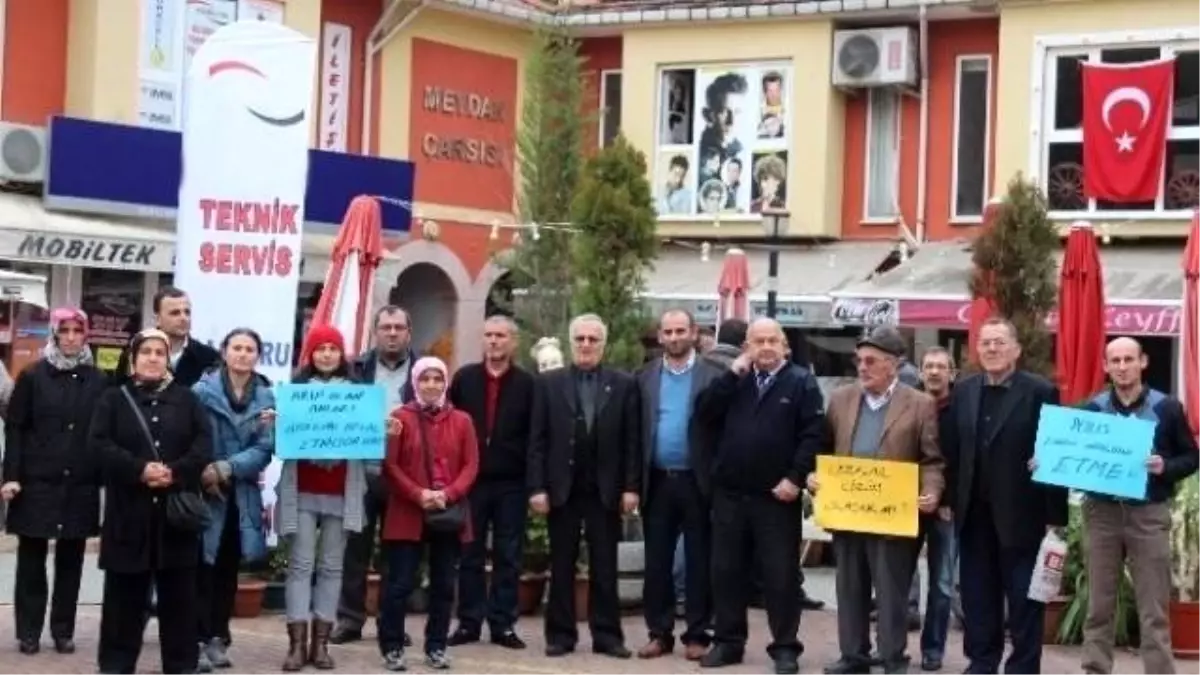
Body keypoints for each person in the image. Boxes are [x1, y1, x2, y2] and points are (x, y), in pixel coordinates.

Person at [696, 318, 825, 675]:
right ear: (747, 347)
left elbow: (813, 434)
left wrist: (795, 478)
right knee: (726, 572)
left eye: (772, 340)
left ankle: (785, 648)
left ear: (785, 346)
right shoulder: (734, 381)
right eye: (758, 341)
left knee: (780, 577)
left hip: (776, 498)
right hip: (731, 495)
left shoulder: (801, 382)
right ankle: (727, 642)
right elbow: (704, 414)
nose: (765, 347)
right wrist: (732, 375)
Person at [813, 326, 943, 675]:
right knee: (850, 588)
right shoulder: (841, 399)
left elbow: (932, 459)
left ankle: (892, 657)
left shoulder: (920, 404)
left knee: (891, 592)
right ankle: (853, 656)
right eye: (859, 360)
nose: (863, 367)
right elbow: (823, 450)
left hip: (892, 514)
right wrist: (815, 476)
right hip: (848, 512)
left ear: (894, 365)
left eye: (871, 361)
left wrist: (932, 491)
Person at [942, 317, 1068, 675]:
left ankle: (1023, 668)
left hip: (1021, 512)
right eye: (986, 343)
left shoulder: (1040, 391)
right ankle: (982, 663)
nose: (992, 349)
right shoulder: (964, 390)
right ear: (976, 350)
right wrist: (950, 499)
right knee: (978, 597)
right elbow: (953, 450)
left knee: (1025, 599)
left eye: (999, 342)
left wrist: (1055, 517)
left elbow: (1056, 452)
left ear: (1016, 349)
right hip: (973, 513)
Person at [90, 328, 213, 675]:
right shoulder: (113, 399)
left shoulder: (188, 400)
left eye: (160, 352)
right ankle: (115, 665)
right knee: (123, 602)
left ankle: (180, 666)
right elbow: (99, 445)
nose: (153, 358)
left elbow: (203, 446)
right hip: (128, 517)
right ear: (134, 357)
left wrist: (174, 472)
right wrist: (139, 470)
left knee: (179, 603)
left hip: (176, 520)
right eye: (146, 351)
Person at [1078, 337, 1199, 675]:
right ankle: (1094, 670)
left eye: (1128, 359)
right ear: (1105, 366)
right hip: (1101, 514)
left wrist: (1166, 467)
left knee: (1154, 608)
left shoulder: (1166, 407)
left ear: (1142, 362)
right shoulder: (1095, 409)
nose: (1121, 366)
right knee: (1099, 605)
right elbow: (1078, 458)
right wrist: (1049, 462)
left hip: (1148, 514)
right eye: (1114, 361)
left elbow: (1192, 456)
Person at [528, 313, 641, 659]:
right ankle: (560, 636)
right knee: (561, 564)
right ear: (571, 342)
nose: (586, 345)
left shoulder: (624, 384)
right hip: (562, 489)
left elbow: (632, 441)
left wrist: (631, 487)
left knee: (605, 566)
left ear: (603, 345)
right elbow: (537, 441)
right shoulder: (549, 384)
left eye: (593, 339)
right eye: (580, 339)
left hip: (604, 491)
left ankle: (607, 635)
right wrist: (537, 488)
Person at [1, 307, 106, 656]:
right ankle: (29, 631)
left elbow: (104, 432)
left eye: (79, 330)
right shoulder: (32, 375)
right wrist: (11, 476)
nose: (72, 337)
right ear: (55, 333)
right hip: (36, 483)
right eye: (66, 330)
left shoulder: (98, 379)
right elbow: (15, 428)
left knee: (71, 562)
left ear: (86, 335)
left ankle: (63, 629)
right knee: (31, 561)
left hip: (80, 484)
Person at [273, 324, 370, 671]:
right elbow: (279, 447)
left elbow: (370, 449)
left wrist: (382, 432)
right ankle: (297, 645)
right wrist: (276, 425)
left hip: (342, 491)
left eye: (333, 348)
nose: (327, 354)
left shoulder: (359, 395)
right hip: (302, 490)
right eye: (320, 348)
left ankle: (321, 645)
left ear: (341, 354)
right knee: (300, 566)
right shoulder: (294, 393)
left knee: (332, 567)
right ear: (309, 354)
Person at [378, 356, 480, 671]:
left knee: (444, 585)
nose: (432, 385)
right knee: (399, 585)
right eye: (425, 379)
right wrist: (418, 494)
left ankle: (436, 646)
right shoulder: (399, 417)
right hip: (408, 512)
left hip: (446, 514)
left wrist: (447, 495)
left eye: (437, 379)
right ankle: (392, 646)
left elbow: (471, 465)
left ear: (445, 383)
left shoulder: (462, 420)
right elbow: (390, 465)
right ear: (415, 382)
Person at [635, 309, 723, 661]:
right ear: (659, 336)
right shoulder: (643, 377)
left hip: (697, 480)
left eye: (680, 331)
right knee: (656, 561)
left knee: (700, 560)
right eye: (667, 331)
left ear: (694, 333)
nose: (673, 337)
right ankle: (659, 632)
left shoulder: (713, 376)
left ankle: (697, 633)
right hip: (657, 480)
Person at [332, 306, 418, 646]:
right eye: (386, 327)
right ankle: (350, 620)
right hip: (360, 471)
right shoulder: (354, 370)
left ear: (409, 332)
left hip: (403, 476)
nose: (392, 333)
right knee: (354, 548)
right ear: (375, 332)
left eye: (399, 327)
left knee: (398, 552)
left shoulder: (425, 371)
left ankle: (391, 621)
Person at [190, 328, 276, 671]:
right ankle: (194, 640)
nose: (242, 354)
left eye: (250, 349)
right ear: (224, 353)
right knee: (200, 569)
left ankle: (218, 638)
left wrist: (226, 467)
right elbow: (189, 436)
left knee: (227, 569)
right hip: (204, 493)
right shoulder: (200, 391)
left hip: (240, 495)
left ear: (258, 355)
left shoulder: (268, 398)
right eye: (236, 348)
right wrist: (205, 470)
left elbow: (265, 448)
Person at [447, 316, 535, 649]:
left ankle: (503, 624)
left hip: (511, 482)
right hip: (470, 483)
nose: (494, 341)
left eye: (500, 336)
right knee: (469, 553)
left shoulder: (528, 384)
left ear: (513, 342)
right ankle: (468, 622)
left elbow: (535, 435)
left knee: (508, 554)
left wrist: (533, 481)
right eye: (488, 335)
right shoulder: (464, 379)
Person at [912, 346, 960, 672]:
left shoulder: (962, 409)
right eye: (928, 366)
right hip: (906, 505)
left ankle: (933, 649)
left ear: (951, 374)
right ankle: (891, 644)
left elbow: (965, 462)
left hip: (946, 510)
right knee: (896, 580)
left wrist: (948, 501)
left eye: (940, 367)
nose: (933, 372)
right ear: (920, 372)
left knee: (942, 585)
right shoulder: (906, 404)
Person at [115, 286, 219, 387]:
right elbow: (118, 395)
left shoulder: (208, 358)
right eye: (175, 313)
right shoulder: (134, 354)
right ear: (158, 319)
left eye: (187, 312)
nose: (183, 318)